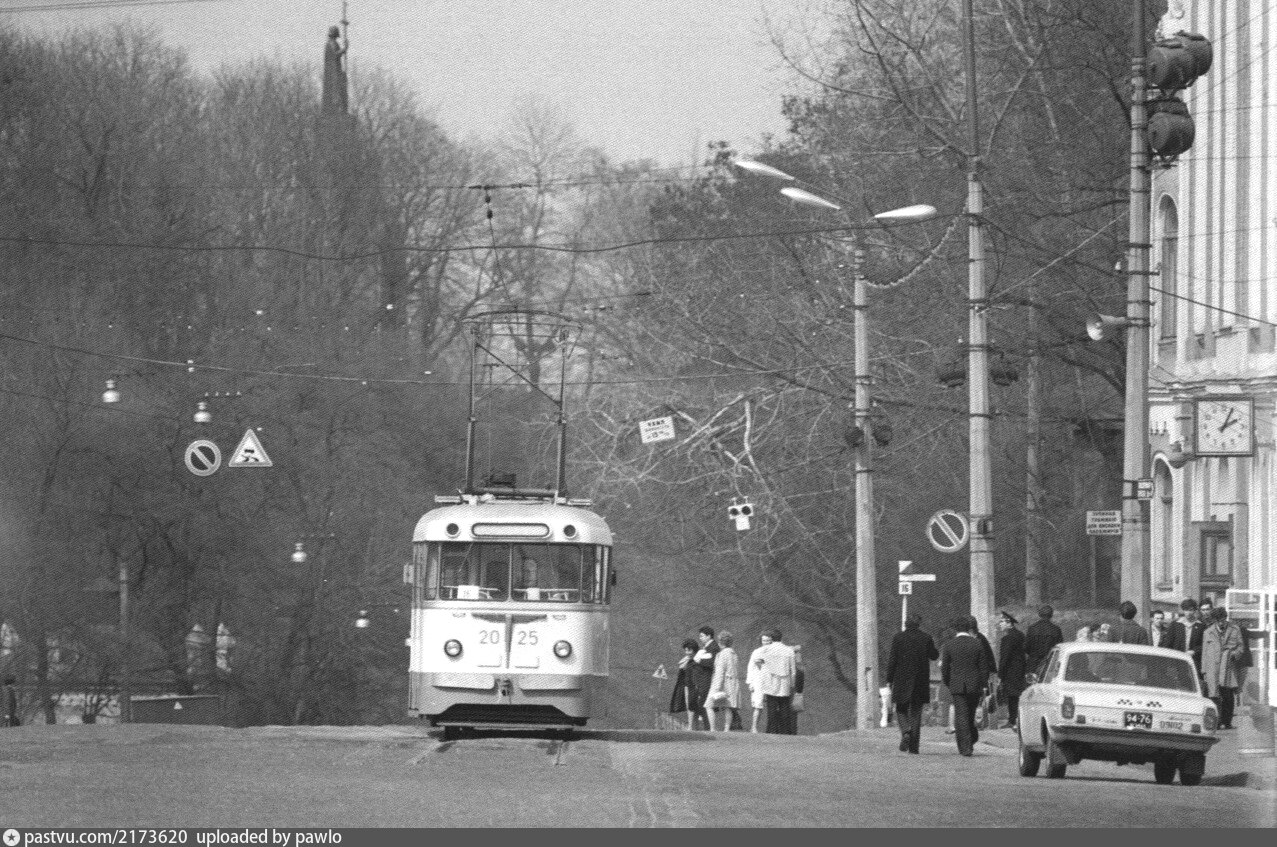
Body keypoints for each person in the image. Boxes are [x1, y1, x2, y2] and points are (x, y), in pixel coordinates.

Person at [886, 614, 939, 754]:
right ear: (918, 624)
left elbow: (892, 660)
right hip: (920, 679)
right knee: (916, 712)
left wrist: (889, 679)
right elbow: (934, 655)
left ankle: (905, 731)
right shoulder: (926, 638)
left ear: (906, 623)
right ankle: (914, 748)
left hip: (901, 679)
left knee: (900, 709)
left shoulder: (898, 638)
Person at [940, 616, 990, 757]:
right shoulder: (977, 644)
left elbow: (945, 668)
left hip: (956, 684)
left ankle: (965, 747)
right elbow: (983, 667)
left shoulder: (949, 645)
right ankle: (970, 738)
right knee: (970, 713)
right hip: (974, 684)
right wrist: (983, 684)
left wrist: (948, 682)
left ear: (955, 629)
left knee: (961, 714)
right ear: (969, 628)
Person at [1201, 607, 1243, 730]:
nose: (1221, 623)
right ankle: (1217, 722)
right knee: (1213, 695)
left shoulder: (1235, 629)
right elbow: (1204, 652)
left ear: (1226, 618)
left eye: (1223, 619)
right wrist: (1204, 670)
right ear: (1214, 620)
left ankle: (1227, 722)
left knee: (1228, 695)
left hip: (1228, 667)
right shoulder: (1208, 632)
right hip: (1212, 668)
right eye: (1218, 620)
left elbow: (1241, 647)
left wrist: (1235, 654)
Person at [752, 627, 797, 734]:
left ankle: (771, 730)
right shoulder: (789, 650)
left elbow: (757, 661)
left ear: (771, 638)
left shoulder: (766, 649)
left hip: (770, 681)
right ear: (781, 638)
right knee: (784, 708)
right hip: (785, 682)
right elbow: (793, 671)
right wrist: (792, 684)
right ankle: (785, 731)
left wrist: (765, 669)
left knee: (771, 708)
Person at [705, 631, 742, 732]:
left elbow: (720, 672)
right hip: (732, 684)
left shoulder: (722, 654)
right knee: (728, 707)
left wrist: (716, 688)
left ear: (720, 642)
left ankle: (713, 729)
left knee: (709, 705)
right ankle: (726, 729)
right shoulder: (734, 654)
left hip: (722, 684)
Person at [996, 611, 1026, 729]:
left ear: (1009, 623)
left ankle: (1012, 720)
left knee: (1012, 696)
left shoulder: (1007, 638)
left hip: (1010, 670)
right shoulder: (1020, 635)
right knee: (1017, 695)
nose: (1000, 624)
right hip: (1020, 669)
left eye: (1002, 621)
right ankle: (1016, 719)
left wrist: (1000, 674)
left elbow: (1005, 658)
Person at [688, 626, 720, 731]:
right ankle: (707, 727)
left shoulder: (713, 647)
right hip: (701, 680)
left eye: (702, 636)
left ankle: (709, 728)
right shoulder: (706, 647)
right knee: (702, 704)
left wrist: (699, 660)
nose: (700, 638)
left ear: (709, 636)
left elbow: (711, 663)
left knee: (705, 703)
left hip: (707, 679)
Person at [1167, 598, 1207, 676]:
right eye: (1186, 610)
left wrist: (1194, 651)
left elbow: (1204, 644)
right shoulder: (1175, 624)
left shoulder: (1201, 626)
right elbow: (1168, 643)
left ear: (1195, 611)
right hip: (1177, 661)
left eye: (1191, 610)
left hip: (1193, 662)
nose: (1188, 613)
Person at [669, 639, 700, 730]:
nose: (687, 652)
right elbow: (681, 666)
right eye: (686, 650)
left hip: (694, 686)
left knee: (693, 707)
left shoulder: (697, 660)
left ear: (694, 650)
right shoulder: (687, 660)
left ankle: (692, 727)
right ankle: (692, 727)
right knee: (690, 707)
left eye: (689, 650)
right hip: (687, 685)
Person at [1025, 604, 1063, 678]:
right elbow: (1059, 647)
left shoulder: (1032, 628)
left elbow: (1026, 647)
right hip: (1049, 663)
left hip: (1033, 663)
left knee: (1031, 683)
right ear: (1051, 615)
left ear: (1039, 614)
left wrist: (1033, 654)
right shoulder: (1056, 629)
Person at [745, 631, 771, 733]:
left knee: (771, 705)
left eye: (768, 640)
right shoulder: (756, 652)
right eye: (764, 640)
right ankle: (754, 727)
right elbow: (750, 667)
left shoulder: (774, 652)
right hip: (758, 681)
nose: (766, 642)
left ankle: (771, 728)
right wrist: (750, 682)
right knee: (758, 705)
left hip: (770, 681)